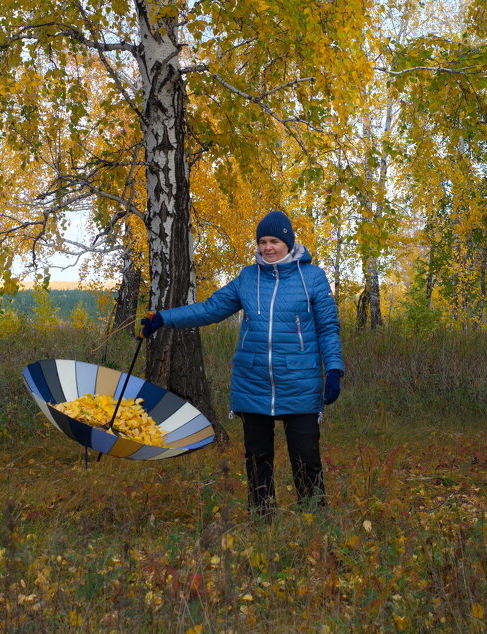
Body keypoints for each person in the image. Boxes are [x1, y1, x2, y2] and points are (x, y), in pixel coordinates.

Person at [140, 210, 344, 516]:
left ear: (288, 242)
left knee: (306, 457)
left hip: (300, 382)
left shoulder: (312, 278)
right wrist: (165, 318)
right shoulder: (248, 278)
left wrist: (334, 369)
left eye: (274, 241)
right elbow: (210, 309)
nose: (268, 247)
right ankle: (262, 517)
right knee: (257, 458)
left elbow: (327, 327)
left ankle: (314, 520)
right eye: (262, 242)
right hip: (253, 382)